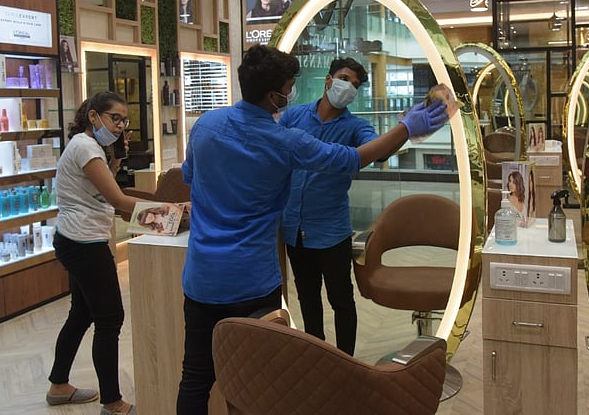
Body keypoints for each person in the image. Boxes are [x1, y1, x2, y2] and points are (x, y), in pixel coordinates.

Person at [176, 44, 448, 414]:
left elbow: (189, 177)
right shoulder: (285, 140)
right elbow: (351, 159)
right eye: (288, 87)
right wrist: (405, 127)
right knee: (253, 381)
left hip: (202, 277)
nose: (290, 94)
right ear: (275, 95)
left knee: (195, 377)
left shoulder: (206, 125)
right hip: (252, 283)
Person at [48, 91, 183, 415]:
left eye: (124, 120)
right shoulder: (84, 147)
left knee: (81, 314)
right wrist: (172, 211)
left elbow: (99, 188)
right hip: (83, 243)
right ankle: (113, 402)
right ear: (93, 116)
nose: (121, 125)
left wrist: (117, 158)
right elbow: (118, 200)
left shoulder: (91, 147)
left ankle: (58, 385)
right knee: (109, 319)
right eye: (115, 118)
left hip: (77, 238)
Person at [279, 57, 392, 356]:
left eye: (355, 85)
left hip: (332, 231)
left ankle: (346, 362)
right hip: (294, 229)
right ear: (328, 80)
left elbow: (376, 152)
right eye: (344, 79)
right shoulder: (294, 117)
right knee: (307, 298)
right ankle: (317, 359)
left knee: (341, 300)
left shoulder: (356, 127)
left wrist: (405, 129)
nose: (348, 88)